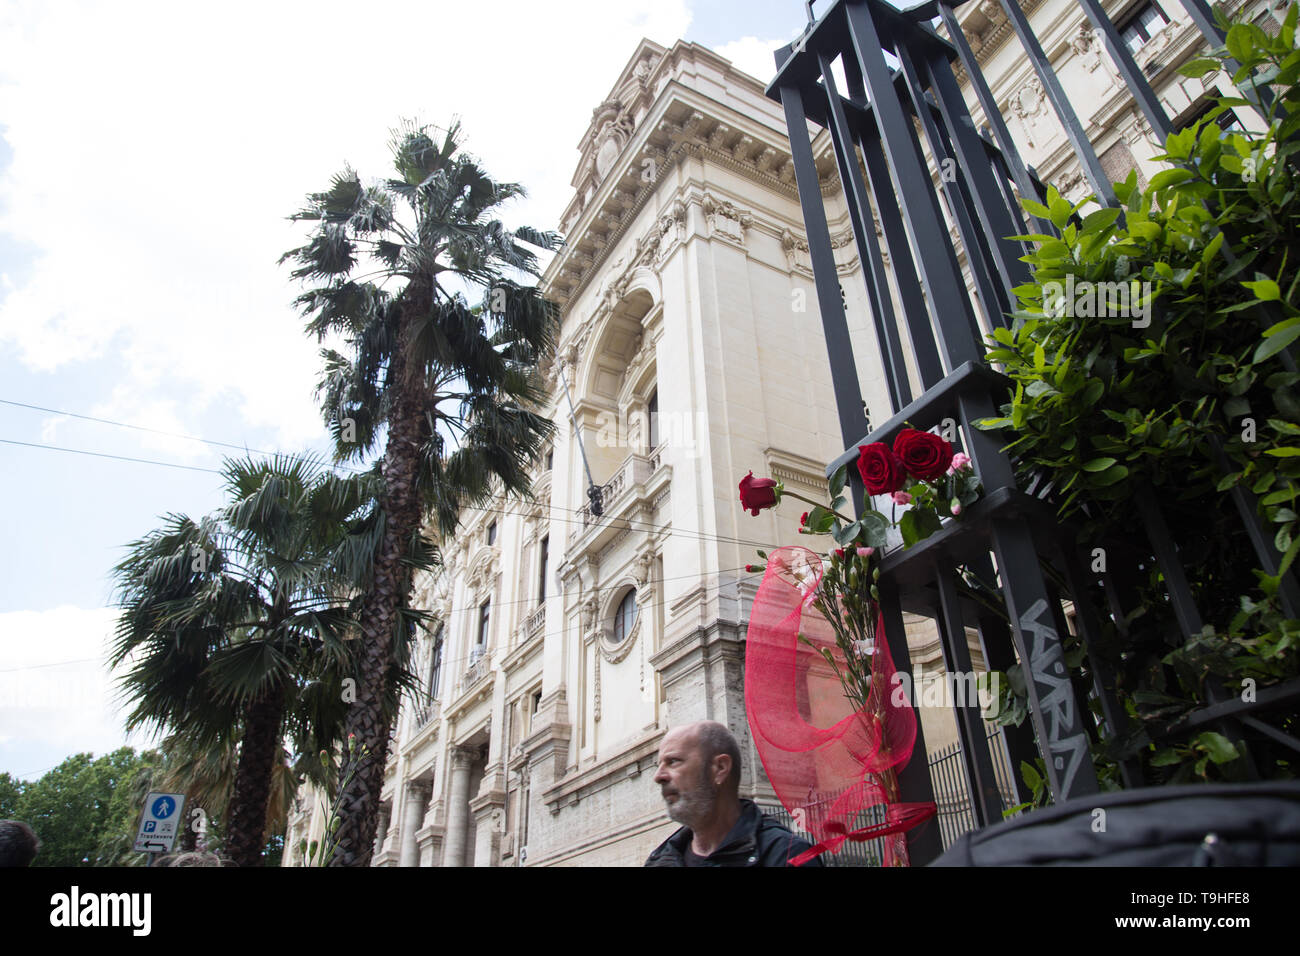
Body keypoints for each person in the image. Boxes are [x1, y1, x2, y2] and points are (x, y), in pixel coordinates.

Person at [645, 720, 823, 867]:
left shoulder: (787, 856)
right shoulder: (659, 860)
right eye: (659, 765)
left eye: (673, 761)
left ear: (720, 768)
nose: (658, 776)